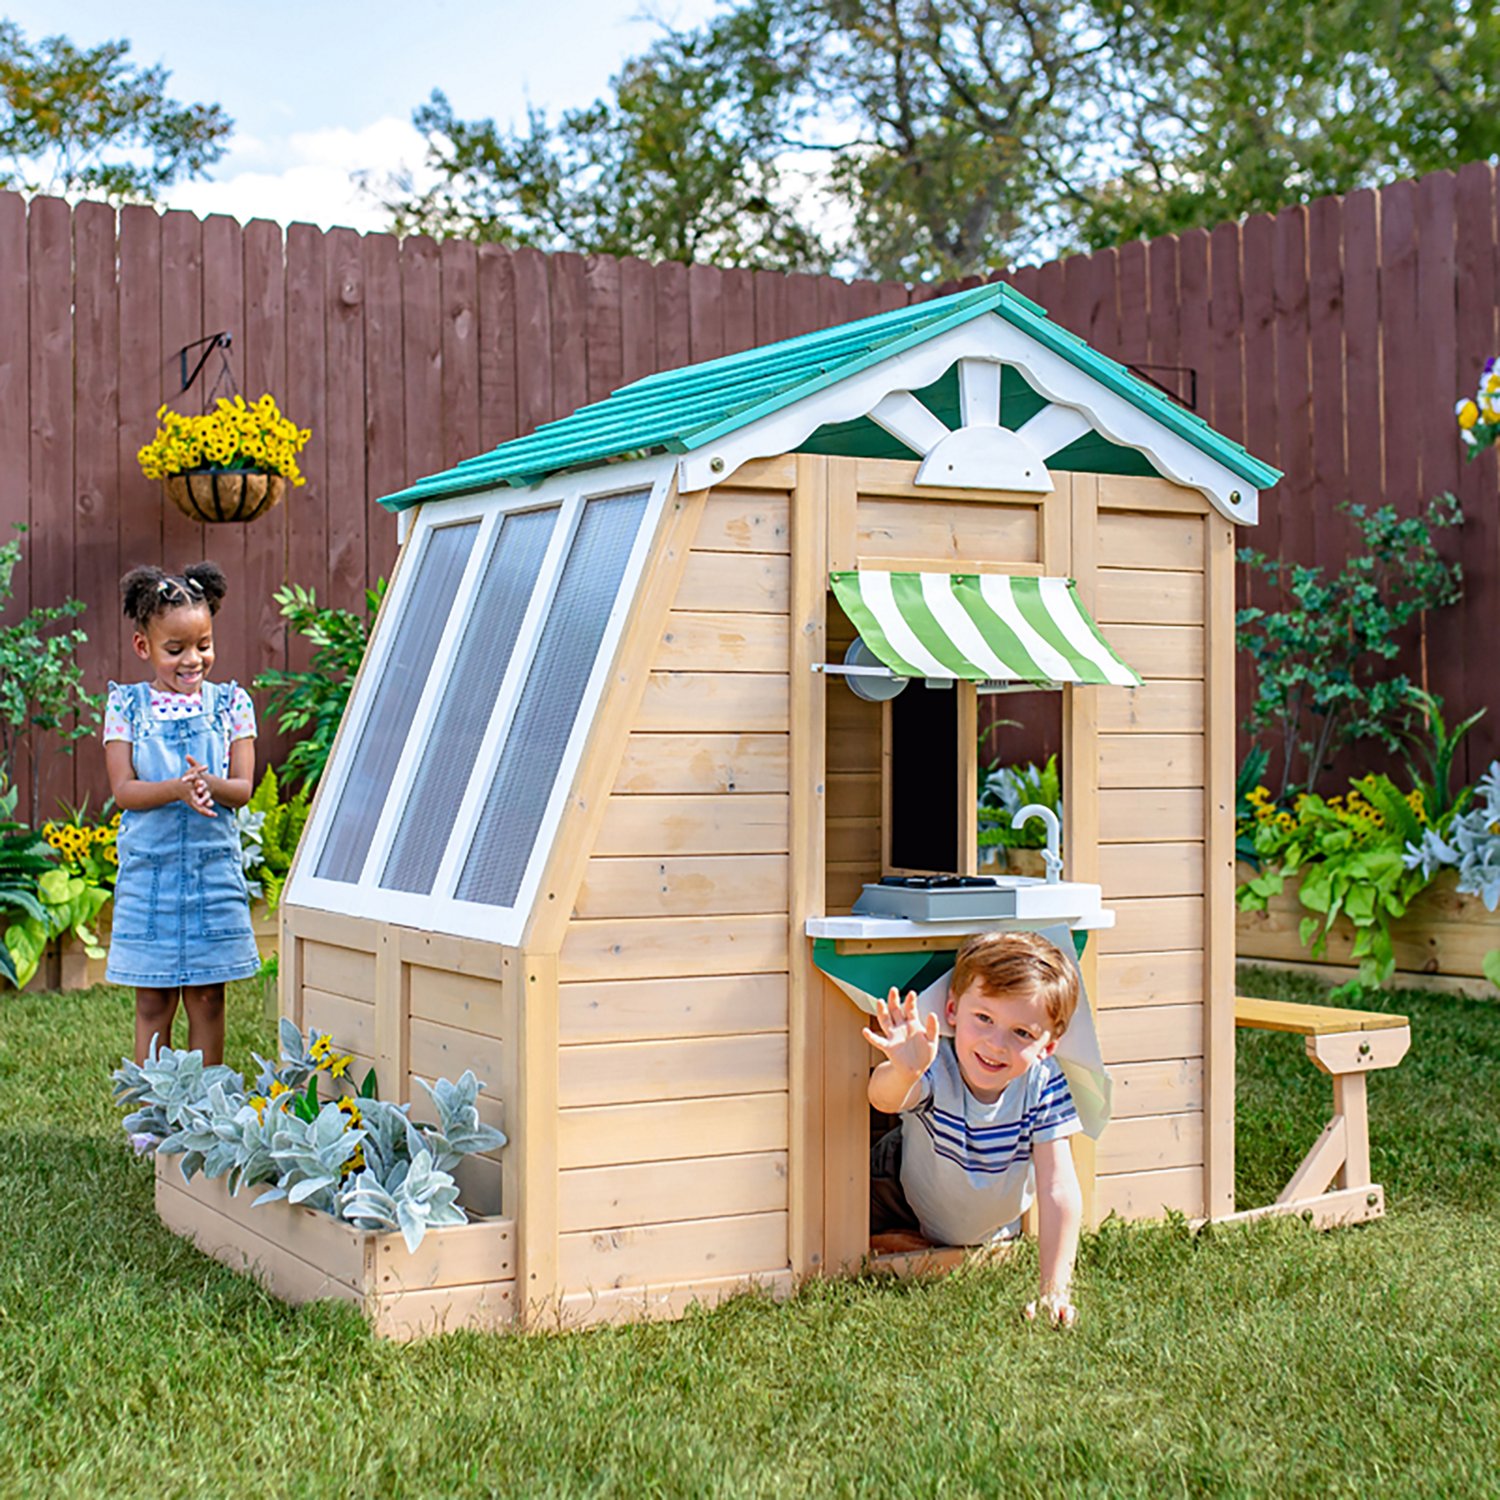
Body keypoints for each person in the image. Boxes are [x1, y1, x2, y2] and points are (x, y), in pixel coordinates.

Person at [865, 929, 1085, 1326]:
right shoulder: (939, 1061)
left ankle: (925, 1243)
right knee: (855, 1197)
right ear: (952, 1011)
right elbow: (882, 1098)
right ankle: (902, 1237)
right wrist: (904, 1070)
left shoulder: (1042, 1083)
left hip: (977, 1209)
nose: (996, 1044)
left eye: (1022, 1033)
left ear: (1048, 1046)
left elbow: (1058, 1187)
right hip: (898, 1182)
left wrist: (1055, 1291)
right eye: (984, 1018)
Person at [105, 563, 259, 1066]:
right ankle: (155, 1116)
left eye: (204, 645)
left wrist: (210, 785)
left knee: (208, 998)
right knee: (153, 999)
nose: (193, 660)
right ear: (143, 648)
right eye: (176, 650)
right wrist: (176, 788)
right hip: (152, 878)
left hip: (211, 876)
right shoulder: (126, 707)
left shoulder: (232, 703)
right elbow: (124, 791)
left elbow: (241, 788)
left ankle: (205, 1113)